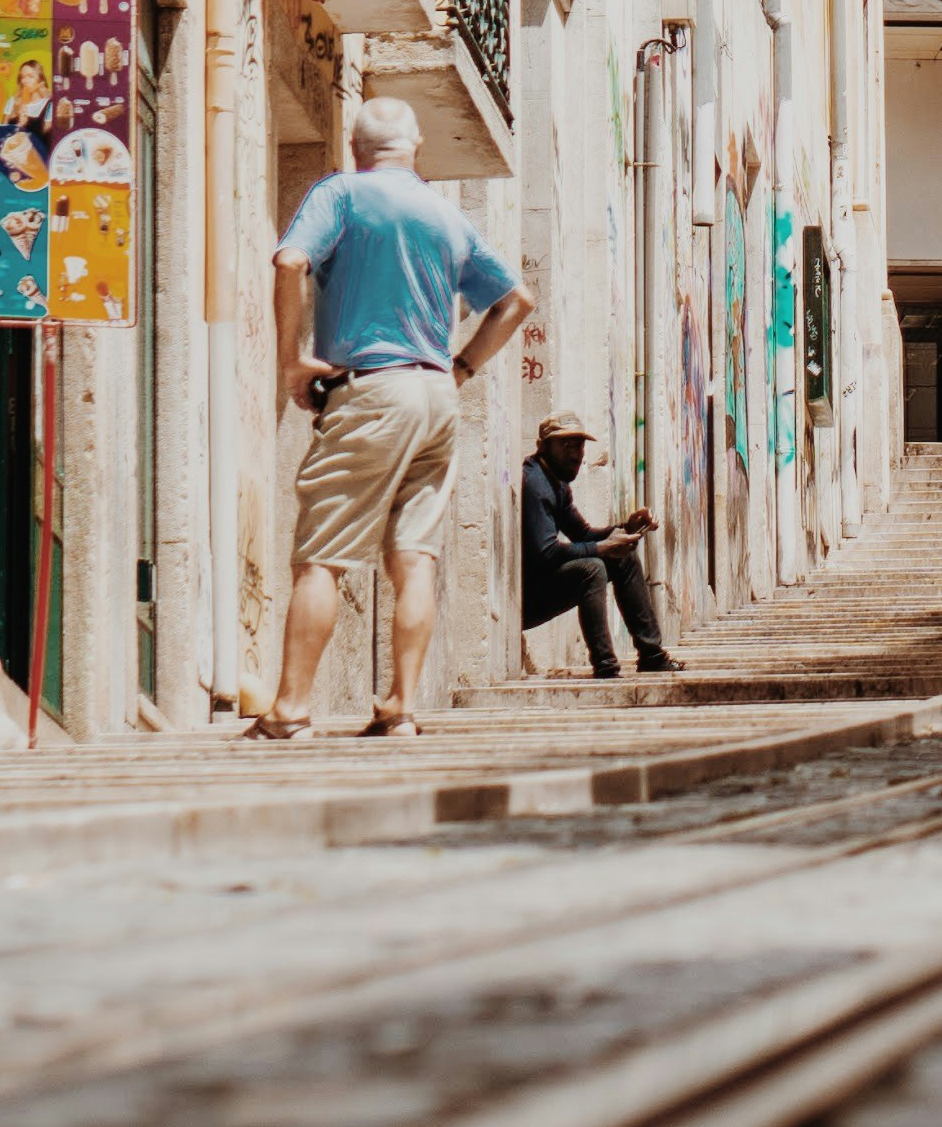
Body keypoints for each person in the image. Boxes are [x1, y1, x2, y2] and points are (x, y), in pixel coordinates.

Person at [262, 94, 531, 739]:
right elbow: (518, 299)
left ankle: (292, 709)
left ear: (354, 147)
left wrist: (292, 362)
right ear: (416, 151)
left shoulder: (341, 194)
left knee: (321, 557)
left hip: (373, 390)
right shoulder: (447, 214)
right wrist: (461, 369)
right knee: (414, 557)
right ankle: (401, 706)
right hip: (437, 394)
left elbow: (291, 261)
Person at [519, 413, 675, 678]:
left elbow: (583, 534)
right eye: (565, 445)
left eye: (579, 445)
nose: (575, 454)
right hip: (526, 601)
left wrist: (626, 528)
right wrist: (603, 548)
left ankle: (652, 655)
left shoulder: (557, 483)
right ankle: (606, 666)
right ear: (543, 446)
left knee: (622, 558)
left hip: (542, 585)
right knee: (591, 569)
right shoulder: (534, 483)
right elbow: (545, 553)